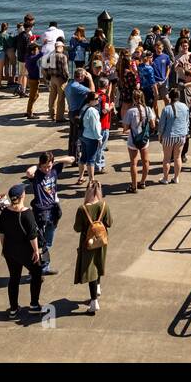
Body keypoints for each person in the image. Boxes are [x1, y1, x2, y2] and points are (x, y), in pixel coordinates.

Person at [0, 184, 43, 319]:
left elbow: (2, 233)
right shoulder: (27, 213)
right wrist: (36, 251)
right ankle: (34, 305)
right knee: (36, 274)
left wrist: (4, 248)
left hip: (10, 250)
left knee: (14, 278)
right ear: (23, 196)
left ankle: (13, 309)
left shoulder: (5, 212)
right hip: (26, 251)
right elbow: (32, 235)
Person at [27, 150, 72, 276]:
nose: (47, 169)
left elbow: (72, 159)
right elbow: (29, 172)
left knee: (48, 240)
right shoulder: (37, 175)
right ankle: (35, 270)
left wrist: (54, 161)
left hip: (53, 209)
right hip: (40, 211)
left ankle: (44, 267)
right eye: (44, 166)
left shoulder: (54, 170)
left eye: (49, 166)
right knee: (38, 241)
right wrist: (38, 165)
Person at [73, 180, 113, 315]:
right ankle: (98, 287)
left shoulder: (82, 209)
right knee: (98, 263)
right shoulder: (104, 206)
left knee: (90, 270)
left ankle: (94, 301)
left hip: (87, 242)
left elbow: (77, 228)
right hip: (102, 241)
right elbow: (110, 223)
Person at [123, 89, 155, 191]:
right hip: (144, 140)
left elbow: (125, 129)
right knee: (145, 161)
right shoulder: (148, 109)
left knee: (133, 163)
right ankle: (142, 182)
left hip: (133, 140)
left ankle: (133, 186)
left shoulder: (130, 111)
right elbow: (153, 125)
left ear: (133, 98)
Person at [158, 87, 190, 184]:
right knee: (178, 157)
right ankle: (176, 178)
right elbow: (187, 122)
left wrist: (160, 135)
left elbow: (161, 125)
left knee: (167, 158)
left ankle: (165, 178)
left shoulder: (166, 109)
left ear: (170, 97)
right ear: (179, 96)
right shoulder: (185, 107)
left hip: (168, 136)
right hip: (181, 135)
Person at [65, 69, 94, 157]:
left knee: (72, 137)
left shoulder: (69, 84)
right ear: (81, 77)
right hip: (77, 113)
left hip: (71, 112)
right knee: (78, 137)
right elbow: (92, 92)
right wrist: (90, 79)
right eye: (84, 76)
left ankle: (72, 155)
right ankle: (76, 157)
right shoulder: (76, 86)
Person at [76, 93, 102, 186]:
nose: (98, 100)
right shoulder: (93, 111)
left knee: (83, 157)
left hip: (83, 135)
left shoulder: (84, 107)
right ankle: (91, 181)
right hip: (91, 137)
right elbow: (95, 127)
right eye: (96, 98)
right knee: (91, 160)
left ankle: (80, 177)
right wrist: (99, 138)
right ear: (90, 100)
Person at [44, 39, 70, 122]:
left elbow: (46, 68)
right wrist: (67, 78)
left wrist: (48, 77)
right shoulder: (63, 57)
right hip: (60, 79)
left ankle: (52, 114)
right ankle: (60, 117)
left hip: (52, 78)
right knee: (61, 98)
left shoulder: (51, 56)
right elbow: (65, 70)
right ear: (61, 47)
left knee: (52, 96)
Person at [23, 42, 43, 119]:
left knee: (35, 95)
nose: (37, 51)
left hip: (31, 78)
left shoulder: (27, 56)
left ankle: (29, 110)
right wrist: (43, 46)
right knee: (32, 96)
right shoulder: (32, 58)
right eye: (36, 50)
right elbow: (41, 54)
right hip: (34, 79)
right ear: (32, 51)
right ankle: (29, 113)